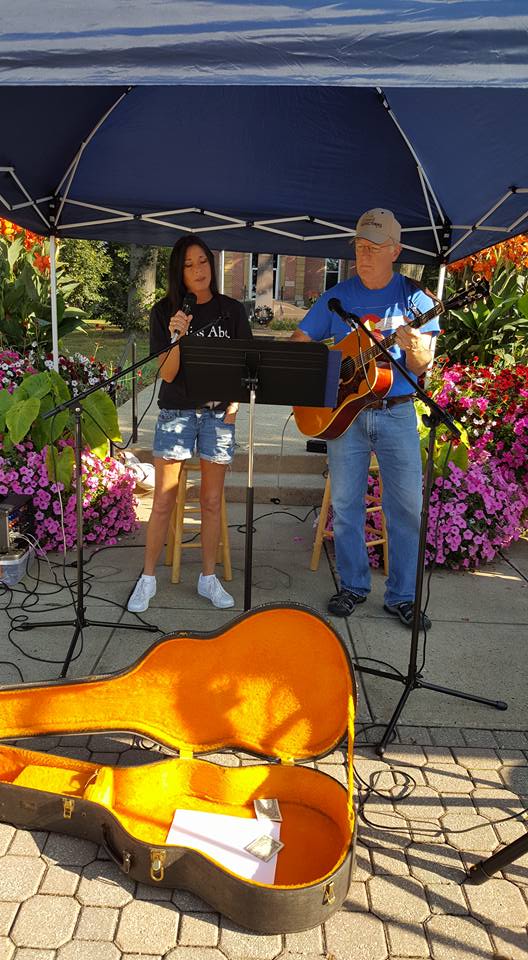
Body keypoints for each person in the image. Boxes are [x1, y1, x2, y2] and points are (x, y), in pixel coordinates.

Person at [292, 208, 439, 628]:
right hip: (346, 416)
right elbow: (298, 342)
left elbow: (423, 365)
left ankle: (403, 596)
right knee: (345, 504)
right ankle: (354, 585)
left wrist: (416, 349)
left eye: (374, 248)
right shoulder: (337, 297)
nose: (364, 255)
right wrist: (332, 367)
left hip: (397, 412)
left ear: (395, 250)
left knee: (406, 507)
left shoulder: (416, 300)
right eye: (359, 247)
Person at [128, 236, 252, 613]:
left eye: (203, 262)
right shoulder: (165, 311)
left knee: (212, 501)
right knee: (163, 499)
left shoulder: (231, 311)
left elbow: (247, 364)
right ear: (178, 272)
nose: (198, 270)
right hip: (177, 413)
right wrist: (177, 336)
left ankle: (208, 577)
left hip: (218, 415)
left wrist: (233, 407)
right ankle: (147, 578)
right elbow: (167, 374)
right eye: (189, 265)